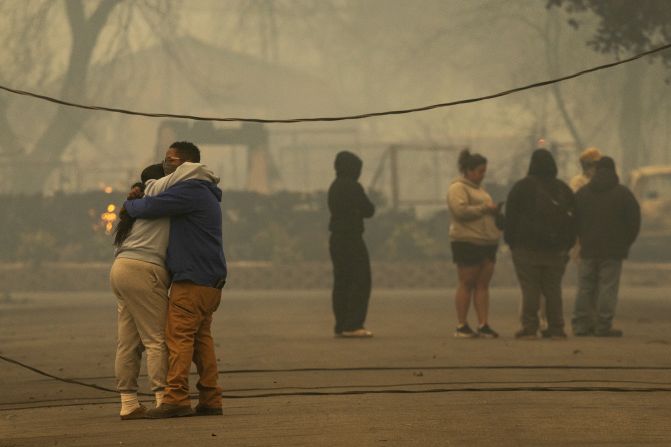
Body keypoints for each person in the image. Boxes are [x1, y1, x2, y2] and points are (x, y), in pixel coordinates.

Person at [124, 141, 227, 418]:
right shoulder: (203, 191)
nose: (166, 165)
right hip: (210, 280)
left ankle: (176, 398)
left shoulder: (189, 189)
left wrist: (130, 202)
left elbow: (147, 208)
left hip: (192, 279)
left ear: (186, 164)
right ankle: (210, 398)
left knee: (178, 338)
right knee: (201, 340)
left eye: (170, 160)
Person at [505, 149, 576, 340]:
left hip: (526, 248)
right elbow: (574, 219)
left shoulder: (521, 187)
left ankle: (529, 327)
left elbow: (510, 217)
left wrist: (511, 241)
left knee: (530, 288)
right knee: (553, 289)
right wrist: (568, 244)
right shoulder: (563, 188)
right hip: (556, 250)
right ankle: (556, 327)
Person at [572, 157, 640, 337]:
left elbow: (573, 220)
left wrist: (581, 239)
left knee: (585, 287)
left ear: (596, 170)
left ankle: (580, 325)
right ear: (614, 170)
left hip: (588, 249)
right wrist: (625, 243)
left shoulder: (583, 193)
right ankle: (603, 326)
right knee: (607, 288)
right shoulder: (623, 194)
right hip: (613, 251)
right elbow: (634, 221)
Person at [447, 150, 501, 338]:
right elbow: (460, 211)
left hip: (487, 242)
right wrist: (485, 208)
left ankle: (483, 323)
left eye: (484, 171)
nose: (482, 175)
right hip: (467, 241)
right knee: (467, 282)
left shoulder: (481, 191)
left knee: (482, 285)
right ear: (468, 170)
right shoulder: (457, 188)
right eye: (479, 171)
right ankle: (462, 324)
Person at [328, 151, 375, 338]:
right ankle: (354, 324)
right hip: (352, 239)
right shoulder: (353, 187)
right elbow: (369, 209)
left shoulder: (334, 186)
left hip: (336, 240)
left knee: (342, 281)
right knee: (360, 280)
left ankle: (341, 324)